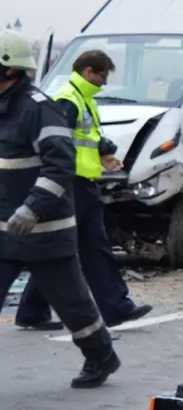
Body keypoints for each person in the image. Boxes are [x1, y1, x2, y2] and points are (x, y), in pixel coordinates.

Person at [0, 29, 121, 387]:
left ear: (9, 70)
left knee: (74, 306)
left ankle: (102, 357)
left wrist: (32, 209)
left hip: (45, 233)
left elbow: (61, 165)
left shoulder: (38, 109)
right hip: (5, 230)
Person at [16, 49, 153, 330]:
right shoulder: (69, 99)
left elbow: (85, 137)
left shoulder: (82, 98)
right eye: (102, 76)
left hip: (81, 183)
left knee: (69, 248)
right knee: (90, 248)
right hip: (72, 185)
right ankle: (116, 307)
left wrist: (104, 151)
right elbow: (59, 143)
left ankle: (32, 311)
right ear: (88, 71)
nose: (104, 83)